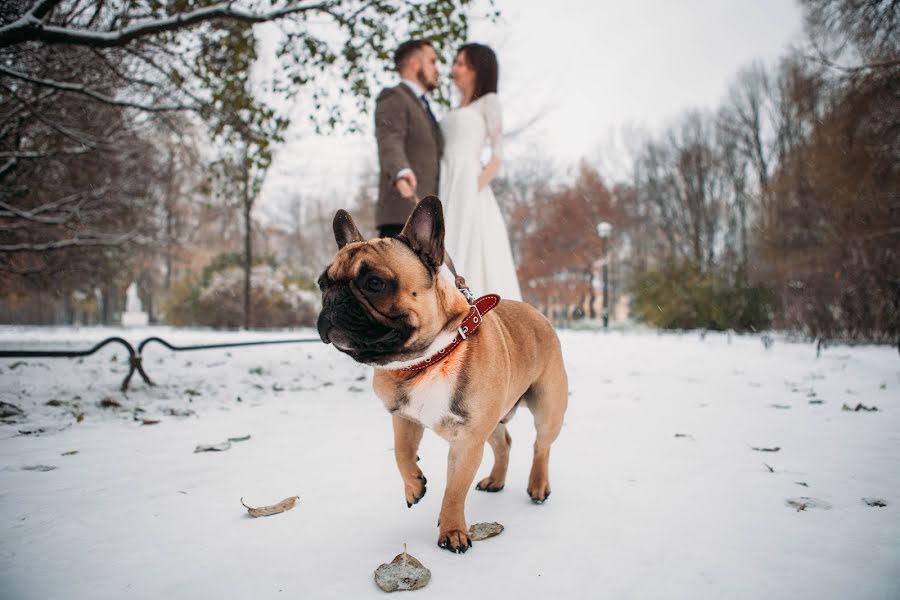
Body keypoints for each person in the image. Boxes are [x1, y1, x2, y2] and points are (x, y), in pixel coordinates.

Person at [438, 43, 522, 301]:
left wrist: (473, 188)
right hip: (446, 180)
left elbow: (497, 155)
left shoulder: (489, 102)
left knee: (473, 245)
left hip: (469, 183)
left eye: (461, 63)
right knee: (446, 241)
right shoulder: (455, 108)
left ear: (477, 69)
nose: (454, 69)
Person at [374, 39, 443, 238]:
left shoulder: (423, 106)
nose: (436, 69)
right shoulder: (394, 96)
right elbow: (389, 139)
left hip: (425, 219)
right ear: (414, 63)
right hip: (402, 217)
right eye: (432, 61)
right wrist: (400, 172)